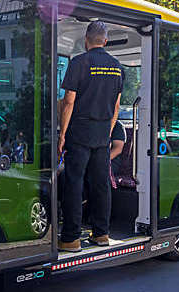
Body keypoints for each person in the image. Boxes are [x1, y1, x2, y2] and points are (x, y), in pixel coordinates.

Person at [58, 21, 123, 252]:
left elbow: (69, 101)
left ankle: (71, 238)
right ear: (105, 41)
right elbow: (116, 105)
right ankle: (102, 234)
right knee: (101, 184)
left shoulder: (79, 62)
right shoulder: (117, 66)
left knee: (74, 183)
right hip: (102, 132)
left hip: (80, 131)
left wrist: (62, 134)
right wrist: (107, 130)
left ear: (86, 40)